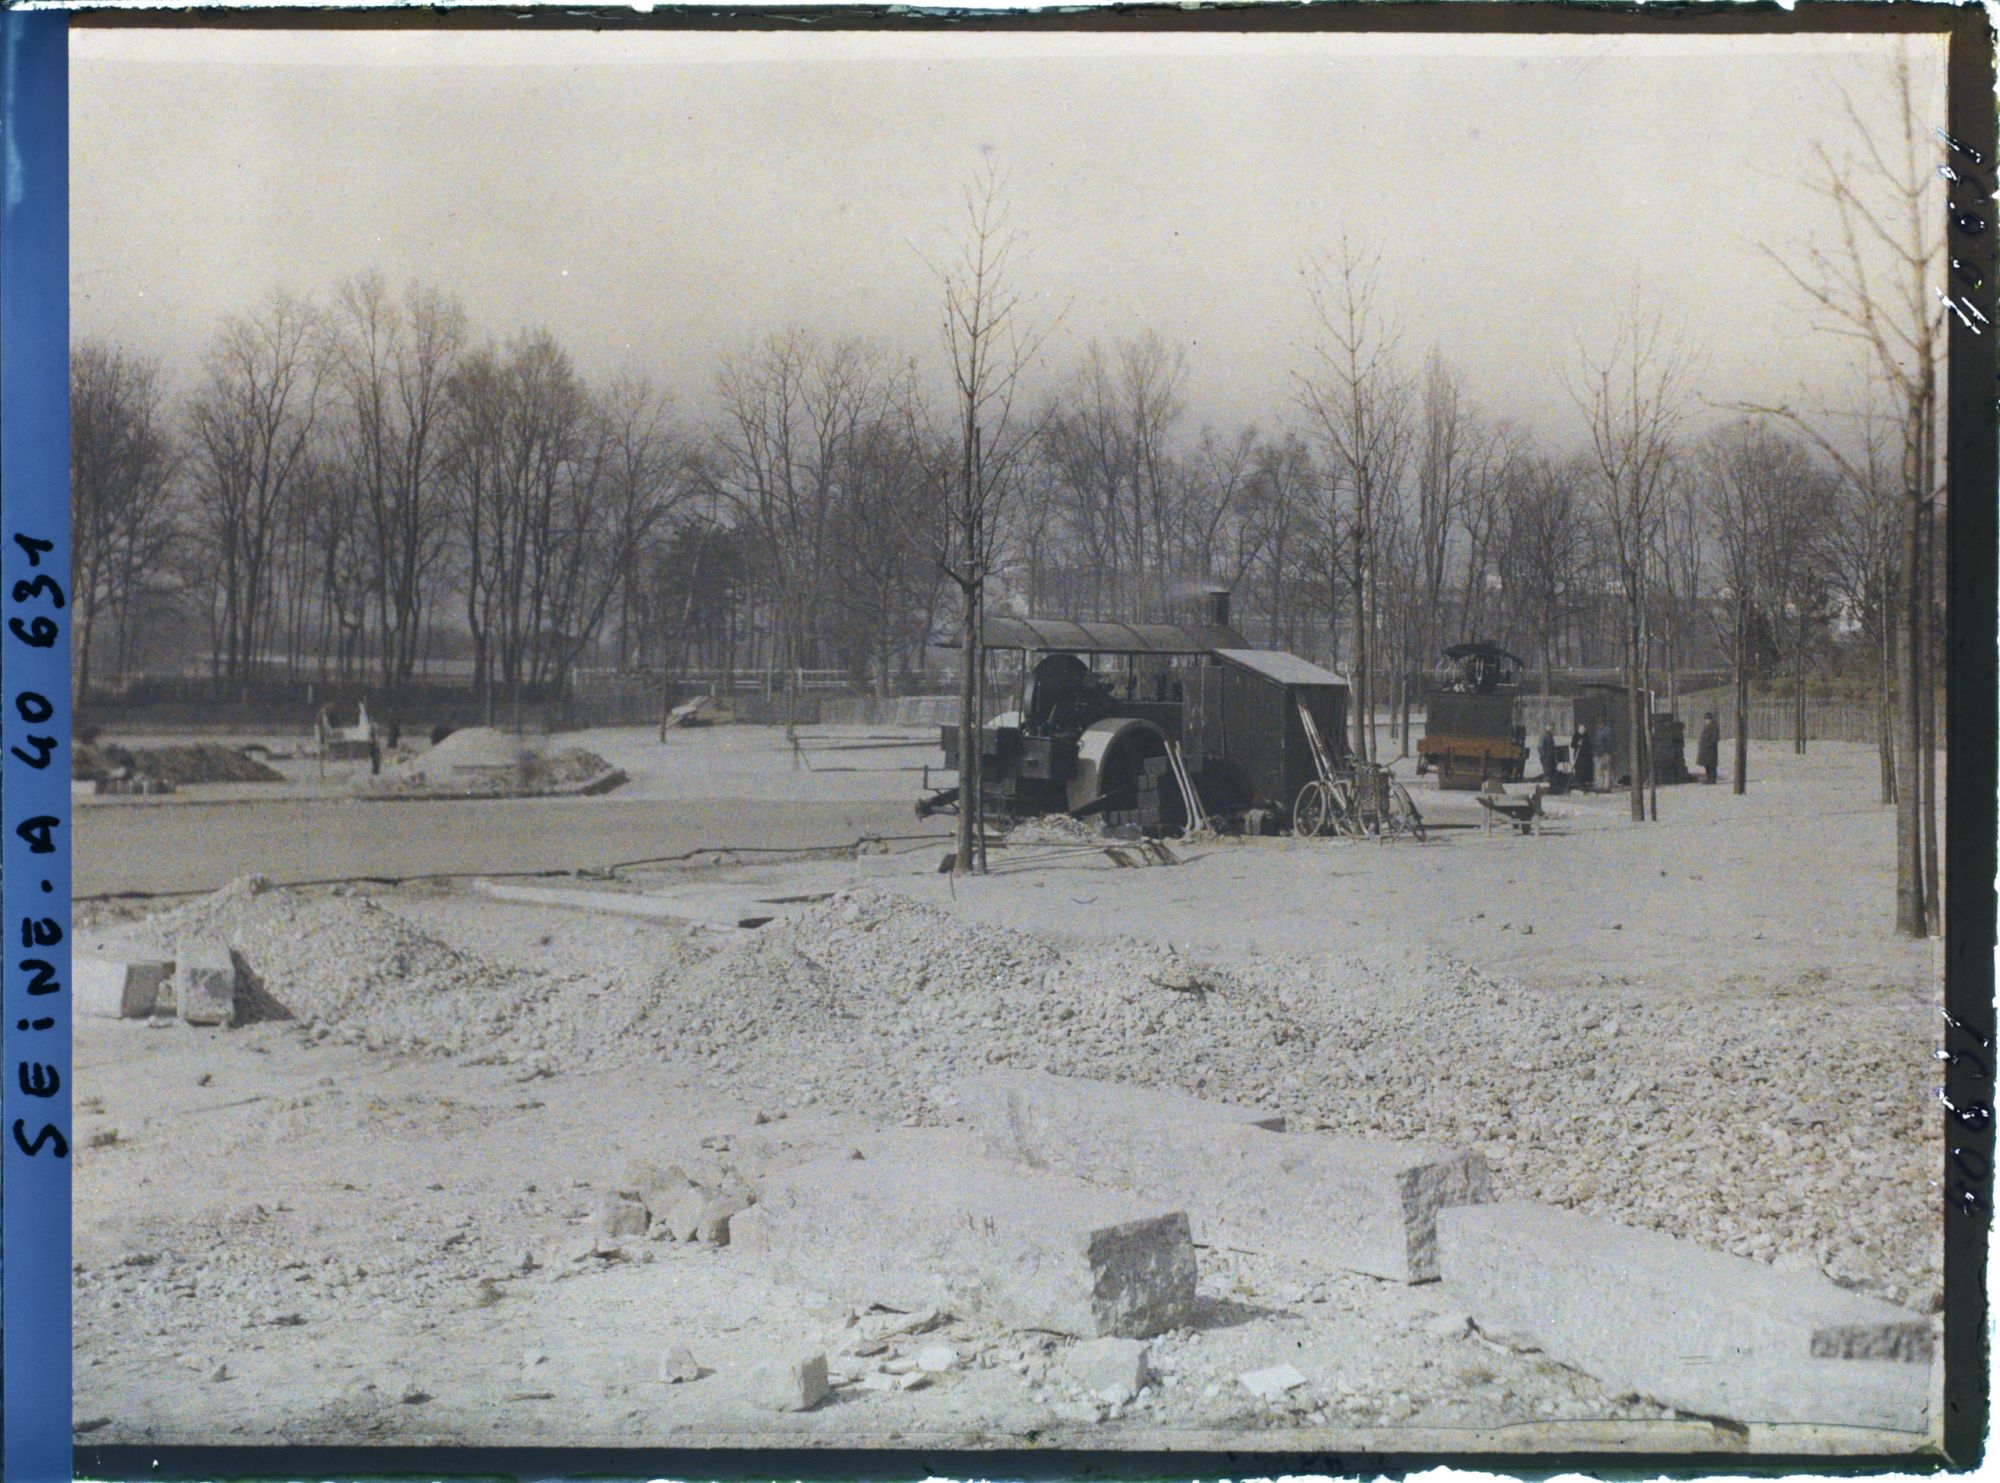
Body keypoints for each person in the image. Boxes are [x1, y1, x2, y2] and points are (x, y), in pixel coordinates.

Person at [1698, 710, 1721, 785]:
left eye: (1708, 719)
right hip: (1705, 749)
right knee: (1706, 764)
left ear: (1711, 719)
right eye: (1705, 719)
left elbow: (1715, 738)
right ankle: (1708, 778)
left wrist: (1709, 744)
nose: (1706, 720)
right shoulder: (1706, 726)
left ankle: (1712, 779)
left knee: (1711, 765)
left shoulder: (1714, 727)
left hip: (1711, 749)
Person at [1573, 723, 1595, 792]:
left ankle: (1585, 784)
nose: (1583, 730)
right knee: (1580, 771)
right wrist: (1577, 744)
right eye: (1581, 729)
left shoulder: (1586, 736)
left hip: (1586, 756)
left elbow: (1589, 745)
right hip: (1579, 757)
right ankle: (1580, 784)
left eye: (1583, 729)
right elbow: (1572, 744)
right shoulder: (1576, 735)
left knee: (1586, 770)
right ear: (1579, 729)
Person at [1595, 718, 1615, 791]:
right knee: (1603, 770)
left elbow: (1608, 743)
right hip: (1601, 753)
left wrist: (1606, 751)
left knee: (1604, 770)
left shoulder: (1603, 732)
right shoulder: (1601, 731)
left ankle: (1605, 786)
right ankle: (1604, 786)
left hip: (1603, 753)